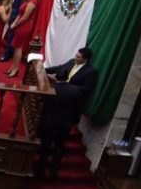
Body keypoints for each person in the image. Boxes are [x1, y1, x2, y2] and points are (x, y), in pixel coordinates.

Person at [38, 47, 99, 178]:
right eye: (76, 56)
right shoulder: (71, 62)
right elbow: (59, 67)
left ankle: (48, 168)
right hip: (64, 118)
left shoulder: (91, 72)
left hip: (59, 115)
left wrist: (69, 89)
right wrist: (42, 69)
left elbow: (87, 89)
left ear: (86, 59)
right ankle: (47, 168)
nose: (76, 58)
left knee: (53, 144)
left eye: (78, 58)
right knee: (54, 144)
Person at [5, 0, 38, 78]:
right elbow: (20, 14)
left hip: (24, 26)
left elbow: (25, 17)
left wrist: (15, 24)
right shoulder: (27, 0)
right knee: (15, 47)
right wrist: (14, 23)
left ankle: (15, 69)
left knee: (18, 48)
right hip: (20, 25)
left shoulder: (33, 1)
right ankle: (12, 67)